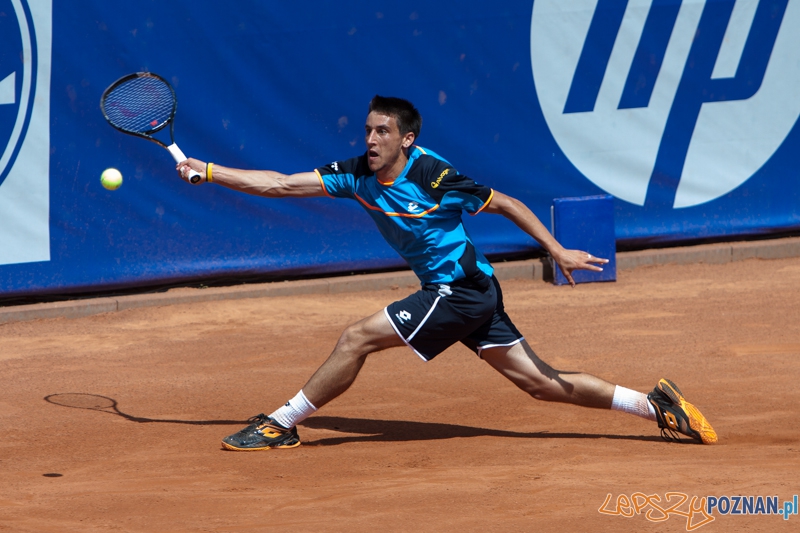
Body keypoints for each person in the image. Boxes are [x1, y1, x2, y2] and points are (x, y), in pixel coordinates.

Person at [176, 95, 717, 449]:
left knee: (357, 337)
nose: (370, 140)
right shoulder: (355, 174)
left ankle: (282, 423)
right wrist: (209, 170)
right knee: (541, 385)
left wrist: (557, 248)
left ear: (406, 139)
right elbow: (280, 184)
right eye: (367, 130)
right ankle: (656, 406)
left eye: (382, 132)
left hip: (459, 289)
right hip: (468, 291)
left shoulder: (435, 177)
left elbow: (504, 203)